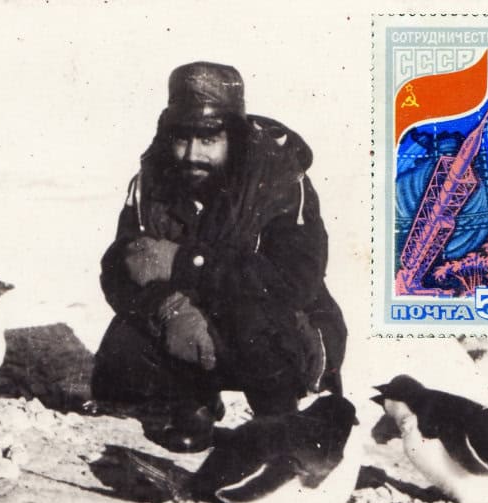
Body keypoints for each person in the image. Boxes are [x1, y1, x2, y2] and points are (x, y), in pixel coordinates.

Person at [92, 61, 347, 452]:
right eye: (182, 138)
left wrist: (184, 263)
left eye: (208, 140)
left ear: (234, 136)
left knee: (253, 320)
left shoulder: (280, 180)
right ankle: (192, 402)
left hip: (287, 327)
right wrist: (167, 306)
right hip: (194, 322)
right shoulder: (152, 180)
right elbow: (119, 269)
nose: (191, 154)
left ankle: (278, 423)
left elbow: (295, 281)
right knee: (120, 356)